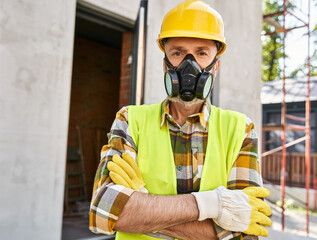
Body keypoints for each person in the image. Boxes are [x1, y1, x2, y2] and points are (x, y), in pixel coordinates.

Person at [89, 0, 272, 239]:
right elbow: (101, 215)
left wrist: (142, 208)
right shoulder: (130, 120)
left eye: (201, 53)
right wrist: (213, 205)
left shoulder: (240, 130)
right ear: (165, 64)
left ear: (215, 67)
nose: (189, 65)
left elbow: (245, 232)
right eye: (177, 53)